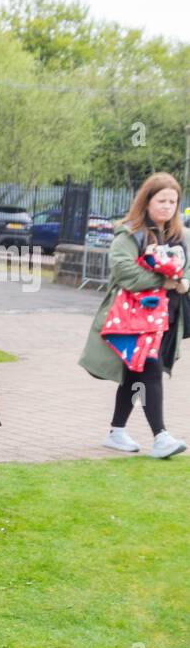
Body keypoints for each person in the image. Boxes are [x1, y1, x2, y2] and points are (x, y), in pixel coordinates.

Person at [79, 172, 188, 457]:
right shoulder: (130, 233)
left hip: (167, 319)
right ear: (147, 201)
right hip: (132, 321)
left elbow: (187, 268)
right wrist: (163, 281)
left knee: (135, 375)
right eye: (161, 200)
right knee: (149, 369)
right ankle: (161, 437)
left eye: (172, 201)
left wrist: (184, 280)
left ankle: (116, 431)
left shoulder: (181, 235)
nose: (167, 206)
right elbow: (124, 271)